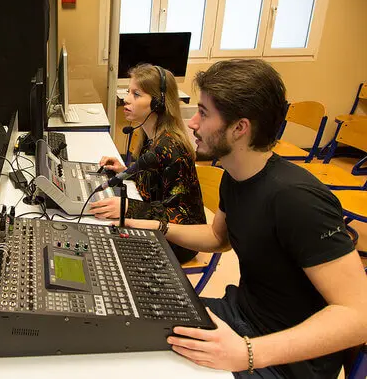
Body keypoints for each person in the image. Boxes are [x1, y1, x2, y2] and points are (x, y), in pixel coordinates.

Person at [120, 59, 367, 378]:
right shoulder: (234, 176)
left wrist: (246, 353)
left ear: (240, 128)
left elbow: (359, 314)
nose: (192, 123)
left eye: (204, 113)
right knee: (130, 327)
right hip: (240, 318)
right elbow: (216, 238)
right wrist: (148, 224)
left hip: (284, 361)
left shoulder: (297, 199)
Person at [90, 64, 205, 264]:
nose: (126, 99)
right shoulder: (150, 136)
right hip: (156, 225)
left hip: (180, 242)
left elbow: (183, 217)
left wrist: (129, 208)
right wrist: (127, 172)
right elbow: (155, 186)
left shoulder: (173, 149)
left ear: (158, 104)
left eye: (136, 94)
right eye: (128, 92)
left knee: (103, 252)